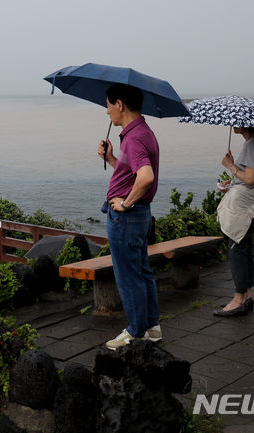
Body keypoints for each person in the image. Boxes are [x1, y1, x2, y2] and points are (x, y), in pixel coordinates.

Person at [97, 83, 162, 350]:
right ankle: (151, 327)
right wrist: (113, 159)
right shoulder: (141, 132)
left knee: (128, 275)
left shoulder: (134, 138)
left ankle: (135, 331)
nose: (107, 111)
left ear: (120, 104)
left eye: (108, 104)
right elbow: (133, 175)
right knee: (142, 272)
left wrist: (124, 204)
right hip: (139, 216)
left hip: (128, 217)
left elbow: (145, 177)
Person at [214, 126, 254, 317]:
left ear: (246, 124)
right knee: (245, 250)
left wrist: (229, 165)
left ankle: (238, 299)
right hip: (248, 202)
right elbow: (248, 178)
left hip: (240, 207)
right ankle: (246, 296)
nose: (233, 123)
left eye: (237, 121)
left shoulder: (251, 145)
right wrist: (231, 182)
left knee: (237, 250)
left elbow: (251, 178)